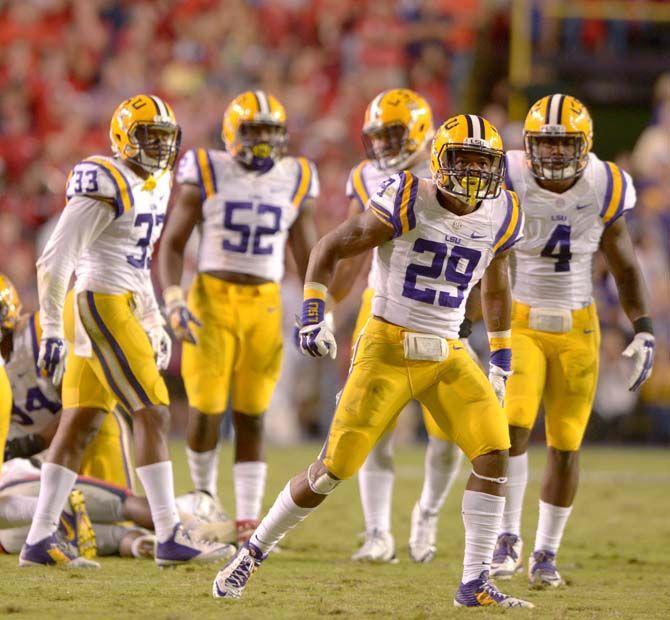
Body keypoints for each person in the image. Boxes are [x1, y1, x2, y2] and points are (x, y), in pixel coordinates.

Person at [212, 114, 534, 608]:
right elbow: (328, 247)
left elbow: (497, 282)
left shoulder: (503, 212)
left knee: (493, 453)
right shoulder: (407, 196)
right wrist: (314, 310)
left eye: (483, 160)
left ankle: (475, 582)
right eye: (462, 158)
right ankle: (251, 554)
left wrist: (502, 353)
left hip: (448, 349)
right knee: (331, 470)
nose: (473, 170)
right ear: (439, 160)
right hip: (388, 345)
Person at [20, 94, 232, 568]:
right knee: (154, 411)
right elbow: (55, 259)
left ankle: (37, 540)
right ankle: (170, 535)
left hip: (120, 301)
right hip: (98, 302)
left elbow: (139, 262)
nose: (157, 146)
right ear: (123, 137)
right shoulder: (105, 179)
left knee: (80, 422)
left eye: (164, 137)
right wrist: (52, 326)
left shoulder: (155, 182)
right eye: (147, 135)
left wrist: (153, 317)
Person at [491, 94, 655, 586]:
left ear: (585, 146)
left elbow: (625, 265)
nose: (556, 155)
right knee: (513, 428)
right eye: (546, 144)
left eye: (565, 145)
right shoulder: (510, 174)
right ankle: (506, 537)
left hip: (579, 324)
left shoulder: (605, 182)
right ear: (529, 145)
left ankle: (546, 552)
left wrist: (643, 326)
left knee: (565, 445)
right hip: (522, 318)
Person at [158, 90, 318, 544]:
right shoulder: (208, 169)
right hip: (210, 299)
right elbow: (172, 242)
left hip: (265, 303)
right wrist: (173, 297)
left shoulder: (296, 176)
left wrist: (314, 306)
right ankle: (204, 498)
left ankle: (248, 517)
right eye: (254, 131)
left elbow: (308, 252)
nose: (263, 141)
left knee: (253, 412)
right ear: (232, 132)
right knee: (205, 409)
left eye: (271, 131)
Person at [328, 88, 464, 564]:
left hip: (443, 312)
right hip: (382, 308)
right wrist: (325, 305)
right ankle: (378, 531)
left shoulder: (455, 169)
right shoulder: (366, 177)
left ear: (422, 132)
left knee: (448, 434)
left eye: (393, 134)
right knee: (373, 423)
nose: (384, 146)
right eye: (378, 136)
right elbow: (348, 251)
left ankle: (426, 515)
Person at [1, 278, 133, 489]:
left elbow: (81, 405)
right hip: (40, 454)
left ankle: (184, 518)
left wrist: (35, 442)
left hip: (91, 434)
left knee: (116, 512)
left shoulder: (39, 335)